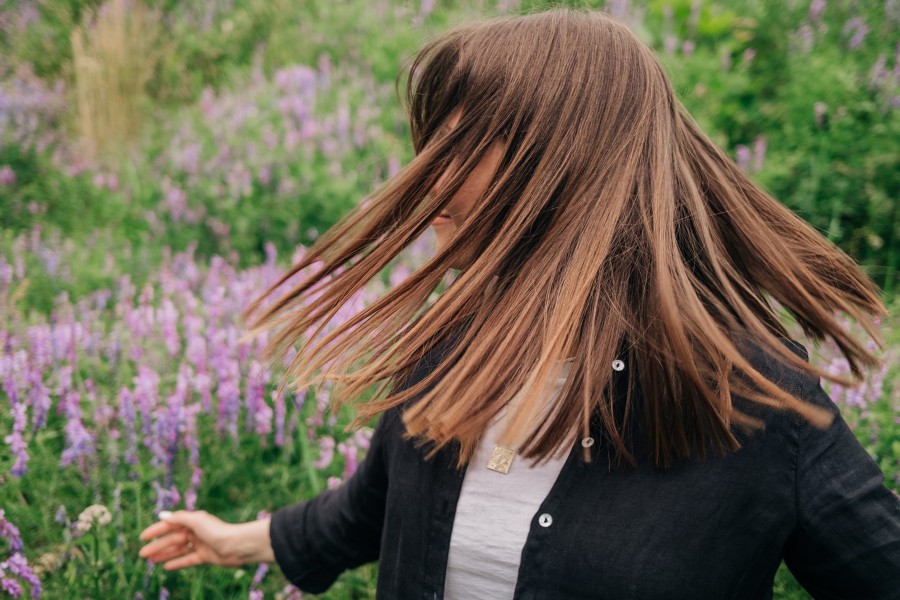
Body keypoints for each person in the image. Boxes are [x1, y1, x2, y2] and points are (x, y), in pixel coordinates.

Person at [137, 8, 900, 598]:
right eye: (429, 145)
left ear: (565, 169)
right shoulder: (455, 346)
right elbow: (374, 508)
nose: (425, 180)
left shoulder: (757, 401)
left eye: (457, 149)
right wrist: (239, 540)